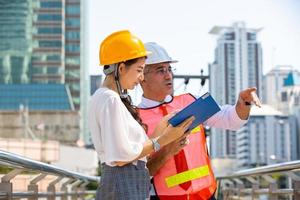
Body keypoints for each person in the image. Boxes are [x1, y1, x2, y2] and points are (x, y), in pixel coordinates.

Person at [138, 42, 262, 200]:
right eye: (160, 70)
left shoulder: (191, 101)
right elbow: (138, 173)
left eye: (169, 69)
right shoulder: (135, 118)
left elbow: (230, 120)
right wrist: (167, 149)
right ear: (142, 77)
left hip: (206, 195)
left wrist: (243, 104)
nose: (168, 75)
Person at [88, 31, 195, 200]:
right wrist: (164, 140)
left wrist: (162, 127)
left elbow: (128, 149)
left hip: (124, 184)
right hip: (124, 185)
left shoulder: (103, 97)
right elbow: (121, 157)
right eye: (139, 70)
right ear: (121, 68)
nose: (141, 78)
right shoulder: (110, 99)